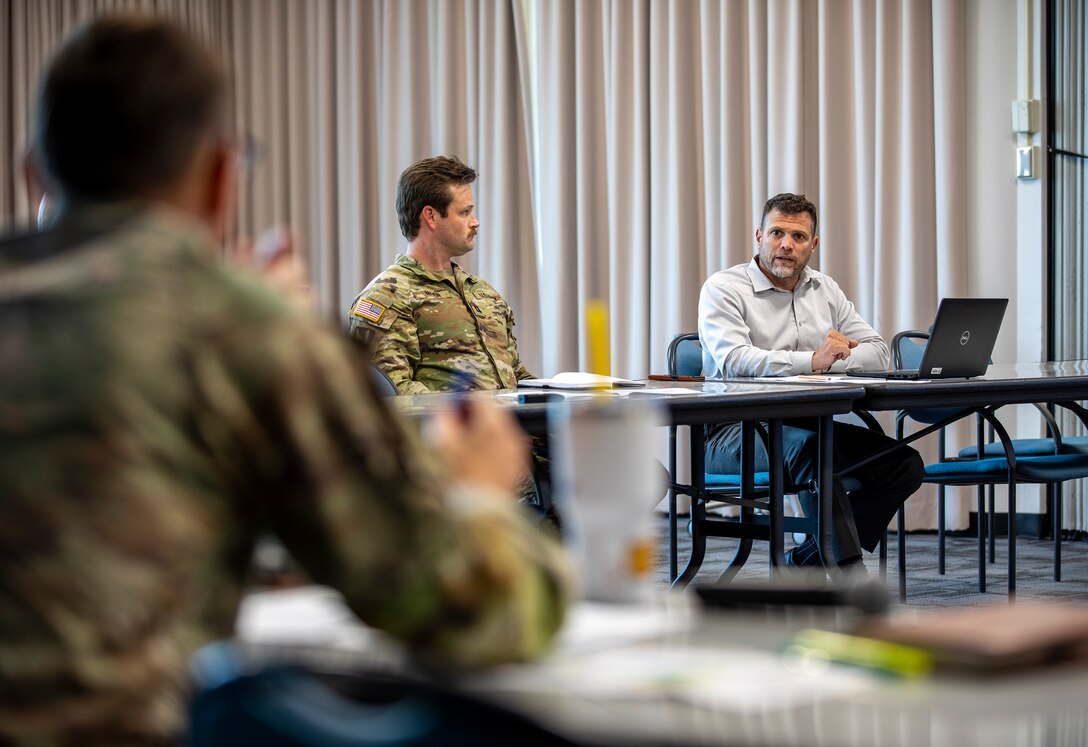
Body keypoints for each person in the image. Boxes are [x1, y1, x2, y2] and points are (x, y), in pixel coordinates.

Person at [0, 16, 571, 746]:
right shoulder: (242, 328)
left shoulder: (242, 324)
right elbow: (477, 610)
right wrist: (481, 494)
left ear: (32, 175)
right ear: (220, 177)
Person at [698, 192, 924, 572]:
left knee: (902, 464)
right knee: (813, 454)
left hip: (807, 425)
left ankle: (809, 559)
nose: (786, 244)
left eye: (799, 237)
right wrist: (812, 361)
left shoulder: (825, 289)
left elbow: (878, 351)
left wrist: (829, 363)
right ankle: (851, 580)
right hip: (732, 429)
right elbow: (736, 360)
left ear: (813, 244)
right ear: (759, 236)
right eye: (777, 233)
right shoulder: (723, 288)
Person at [347, 155, 531, 393]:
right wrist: (469, 418)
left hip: (514, 427)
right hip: (447, 429)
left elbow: (516, 377)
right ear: (431, 217)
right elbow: (392, 394)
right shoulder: (388, 297)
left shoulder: (484, 294)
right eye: (464, 213)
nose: (475, 222)